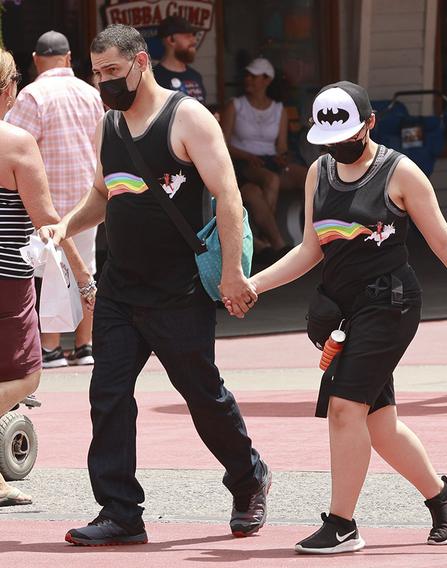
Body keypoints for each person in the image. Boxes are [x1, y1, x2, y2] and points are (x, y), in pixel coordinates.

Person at [226, 80, 447, 555]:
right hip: (342, 311)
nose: (337, 147)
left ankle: (342, 525)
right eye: (328, 140)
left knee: (345, 410)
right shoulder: (318, 172)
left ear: (370, 124)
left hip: (391, 304)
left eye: (346, 135)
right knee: (379, 424)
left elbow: (443, 240)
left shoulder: (401, 173)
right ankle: (442, 495)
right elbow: (310, 249)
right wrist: (253, 283)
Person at [38, 25, 270, 546]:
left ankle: (248, 476)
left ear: (142, 62)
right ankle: (120, 512)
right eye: (97, 73)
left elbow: (230, 198)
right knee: (109, 395)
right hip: (121, 289)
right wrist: (64, 224)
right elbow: (103, 193)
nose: (105, 82)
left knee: (203, 396)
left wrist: (233, 272)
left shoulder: (186, 118)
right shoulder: (108, 125)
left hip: (180, 290)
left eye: (113, 72)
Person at [0, 47, 92, 507]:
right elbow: (47, 219)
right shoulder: (15, 143)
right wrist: (84, 277)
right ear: (9, 88)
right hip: (7, 279)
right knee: (26, 376)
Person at [6, 30, 105, 369]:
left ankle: (49, 347)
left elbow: (13, 145)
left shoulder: (31, 95)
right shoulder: (91, 93)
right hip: (87, 200)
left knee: (48, 271)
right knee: (85, 269)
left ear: (35, 60)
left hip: (45, 199)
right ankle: (85, 345)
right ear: (69, 58)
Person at [221, 57, 306, 260]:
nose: (249, 80)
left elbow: (282, 146)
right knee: (271, 179)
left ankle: (321, 237)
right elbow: (222, 143)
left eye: (254, 76)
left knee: (308, 175)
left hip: (269, 161)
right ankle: (268, 239)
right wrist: (247, 155)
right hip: (244, 161)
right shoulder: (236, 105)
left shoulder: (279, 109)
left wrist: (282, 158)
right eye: (247, 76)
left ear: (267, 80)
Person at [153, 15, 206, 104]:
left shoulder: (196, 76)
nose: (194, 41)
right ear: (171, 40)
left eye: (193, 35)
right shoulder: (153, 79)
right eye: (188, 36)